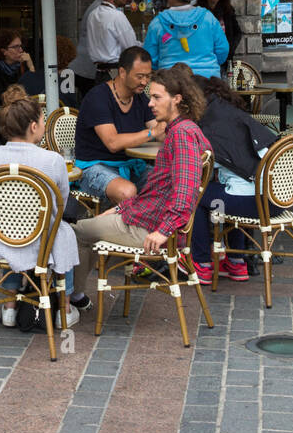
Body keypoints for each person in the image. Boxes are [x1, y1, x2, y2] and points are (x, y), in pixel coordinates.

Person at [73, 67, 208, 293]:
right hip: (149, 218)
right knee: (93, 228)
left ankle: (68, 301)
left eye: (156, 97)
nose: (149, 103)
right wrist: (121, 209)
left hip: (150, 227)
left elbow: (185, 193)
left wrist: (162, 231)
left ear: (176, 99)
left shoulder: (182, 135)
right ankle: (72, 296)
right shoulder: (184, 129)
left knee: (75, 233)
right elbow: (157, 191)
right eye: (150, 96)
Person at [0, 93, 87, 330]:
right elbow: (62, 203)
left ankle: (9, 308)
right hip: (42, 242)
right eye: (43, 120)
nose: (44, 125)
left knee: (11, 234)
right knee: (65, 231)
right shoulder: (53, 160)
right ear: (34, 126)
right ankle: (64, 309)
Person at [190, 75, 275, 283]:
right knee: (229, 188)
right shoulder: (234, 114)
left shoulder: (210, 127)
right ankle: (236, 262)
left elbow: (200, 169)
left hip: (252, 204)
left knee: (195, 196)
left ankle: (201, 264)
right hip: (278, 201)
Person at [74, 46, 160, 206]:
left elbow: (160, 131)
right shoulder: (98, 97)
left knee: (168, 182)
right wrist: (152, 132)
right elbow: (113, 143)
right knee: (127, 192)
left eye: (148, 76)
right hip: (94, 166)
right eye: (139, 76)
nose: (144, 82)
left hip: (130, 165)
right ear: (122, 72)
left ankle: (149, 228)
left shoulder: (140, 97)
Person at [143, 0, 229, 78]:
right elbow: (223, 50)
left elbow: (150, 58)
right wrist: (209, 65)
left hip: (170, 82)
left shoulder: (157, 23)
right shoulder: (208, 18)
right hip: (208, 81)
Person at [199, 0, 243, 65]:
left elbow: (237, 33)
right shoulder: (197, 11)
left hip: (224, 62)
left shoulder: (228, 10)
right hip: (203, 62)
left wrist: (229, 50)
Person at [0, 30, 35, 104]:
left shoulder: (22, 64)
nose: (21, 50)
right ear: (4, 51)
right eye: (16, 47)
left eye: (20, 46)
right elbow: (1, 95)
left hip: (20, 109)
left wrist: (31, 66)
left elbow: (33, 92)